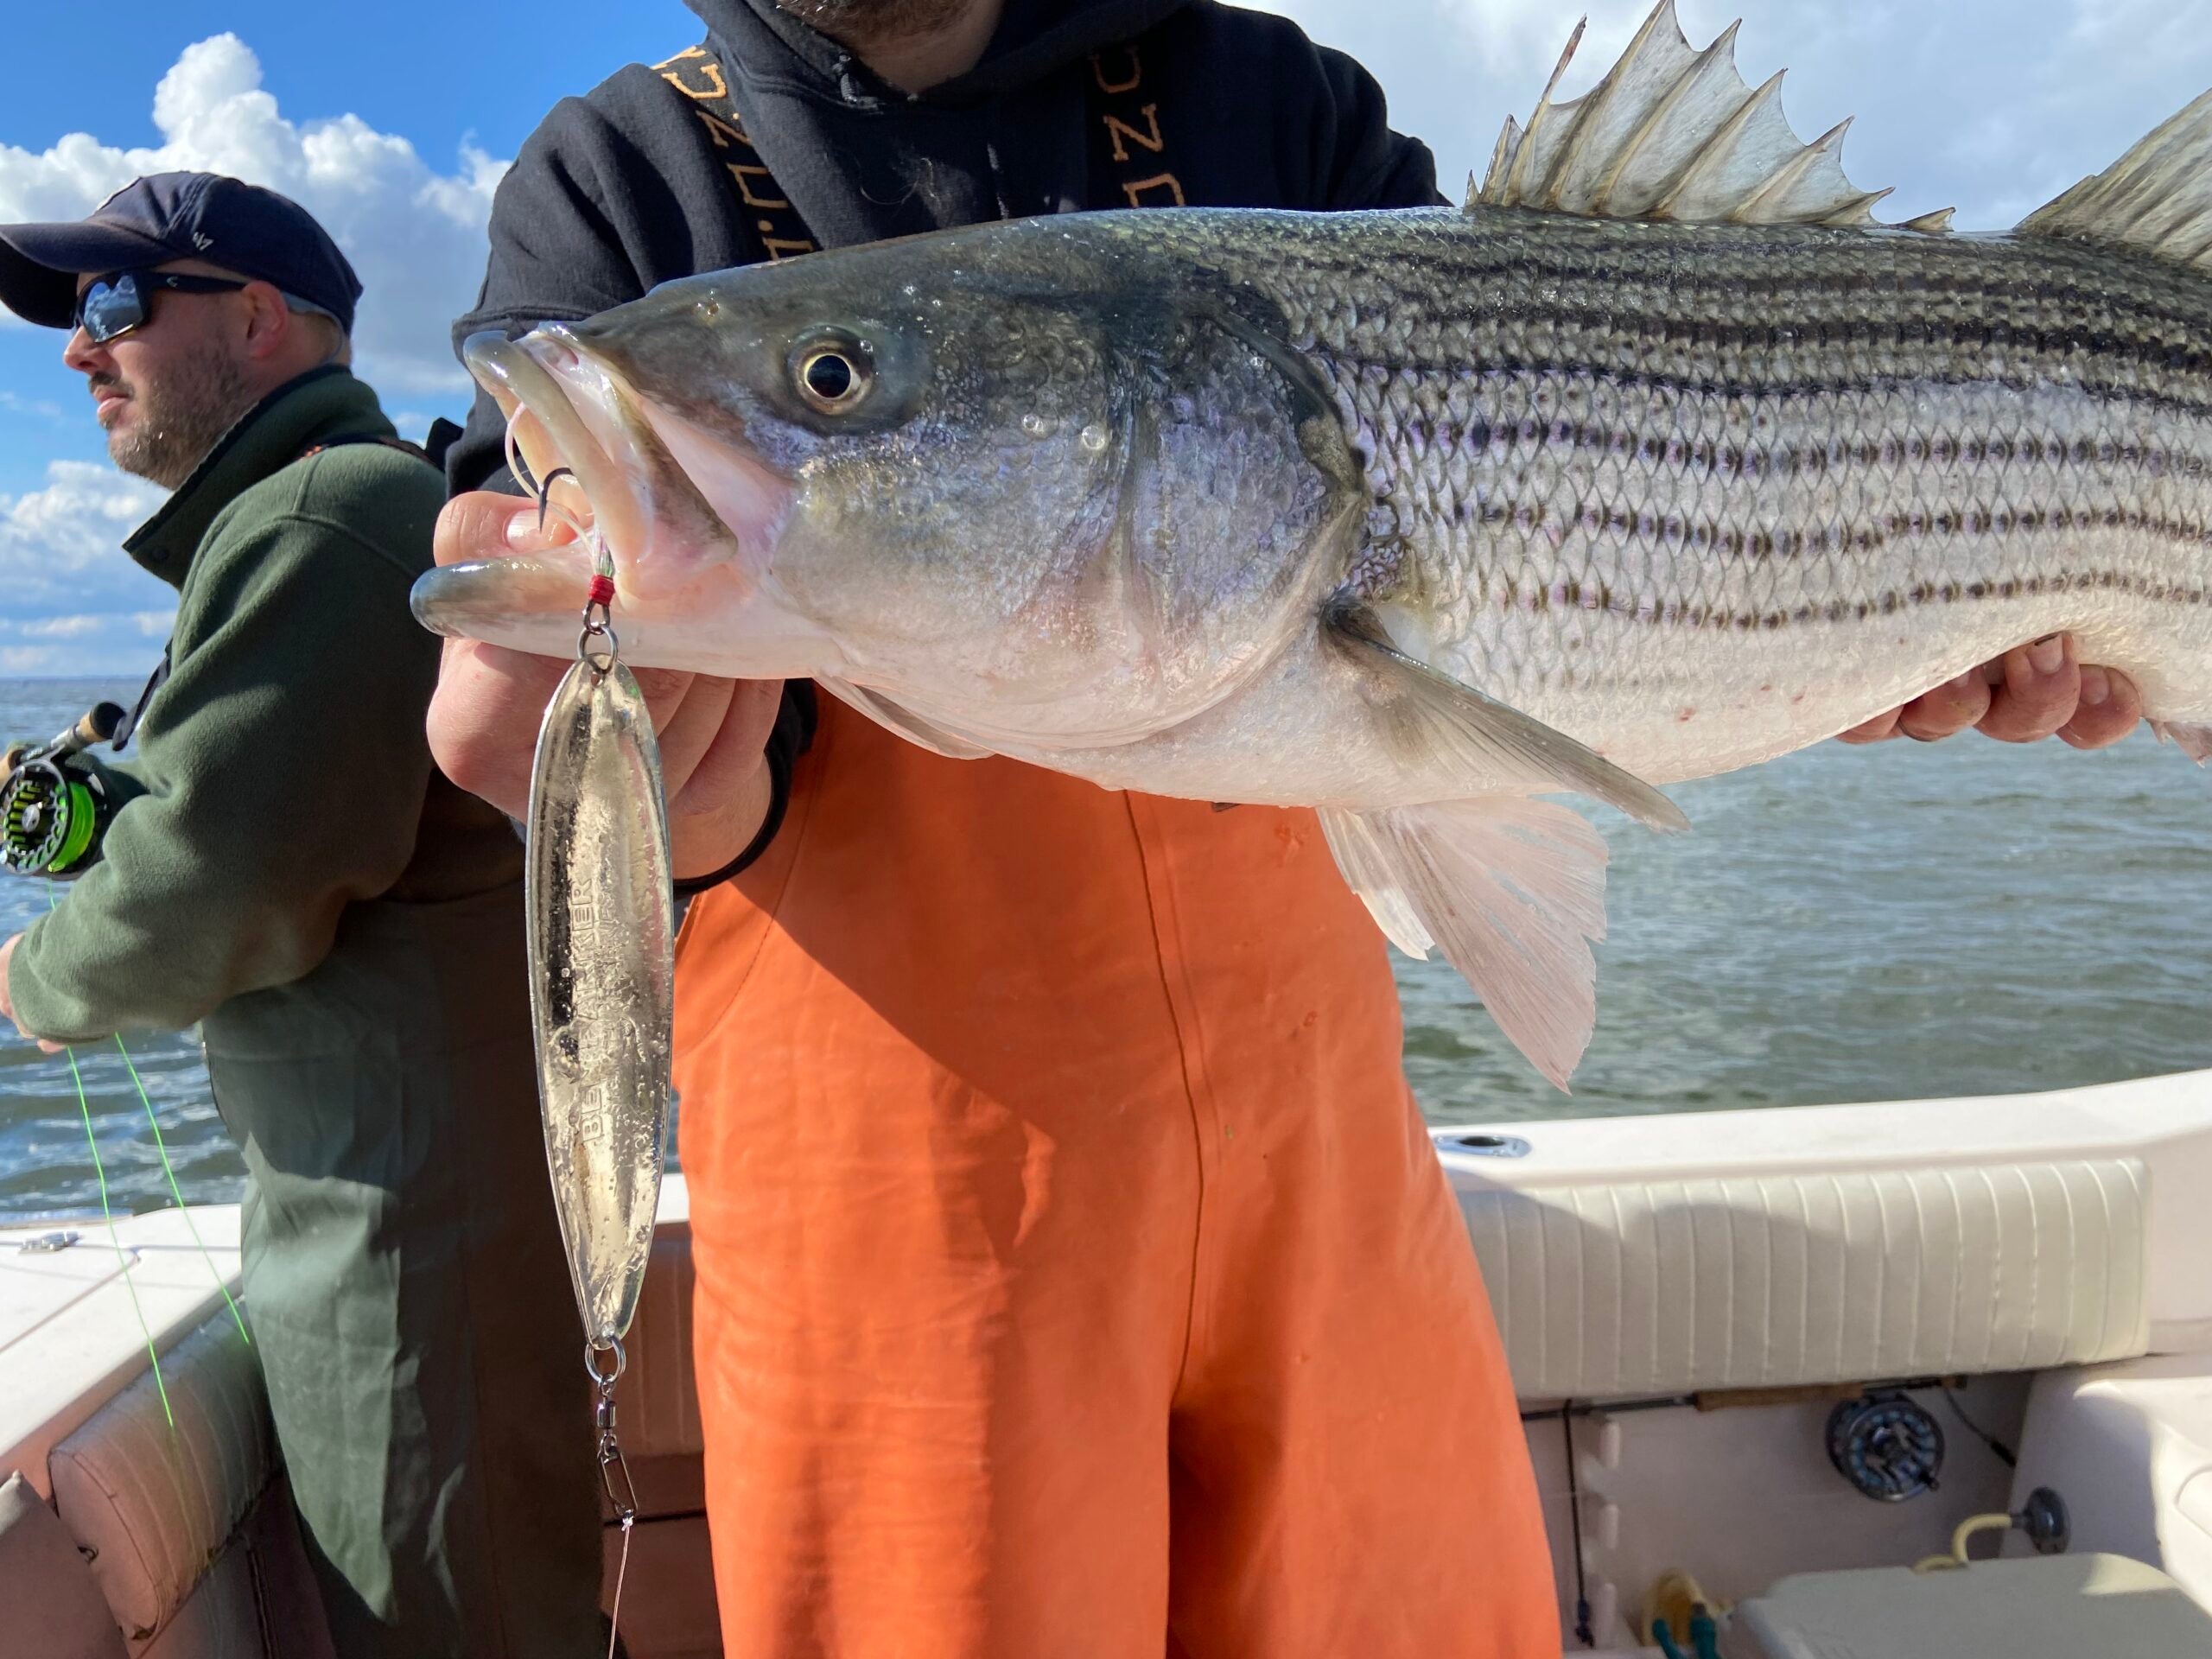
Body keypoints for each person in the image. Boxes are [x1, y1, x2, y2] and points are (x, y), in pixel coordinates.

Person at [427, 3, 2148, 1653]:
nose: (800, 398)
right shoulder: (624, 171)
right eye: (836, 373)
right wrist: (629, 769)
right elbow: (679, 781)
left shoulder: (1259, 90)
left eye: (826, 377)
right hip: (899, 1189)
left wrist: (1866, 636)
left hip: (1310, 1141)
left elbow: (1602, 576)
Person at [0, 175, 601, 1659]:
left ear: (261, 320)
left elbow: (218, 880)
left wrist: (33, 976)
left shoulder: (326, 516)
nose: (81, 350)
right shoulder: (322, 506)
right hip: (397, 1214)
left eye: (116, 305)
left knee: (454, 1626)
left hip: (405, 1246)